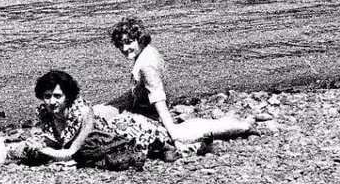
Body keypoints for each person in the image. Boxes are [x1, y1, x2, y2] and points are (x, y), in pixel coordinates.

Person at [103, 17, 254, 151]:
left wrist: (176, 139)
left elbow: (160, 104)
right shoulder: (147, 52)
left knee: (185, 133)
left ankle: (240, 125)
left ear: (140, 39)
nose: (124, 49)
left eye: (129, 42)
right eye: (120, 44)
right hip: (142, 106)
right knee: (100, 114)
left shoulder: (147, 65)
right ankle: (233, 123)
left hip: (152, 117)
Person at [0, 70, 147, 170]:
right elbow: (51, 140)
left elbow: (70, 152)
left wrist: (43, 150)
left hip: (104, 129)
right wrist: (35, 145)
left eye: (57, 96)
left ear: (67, 96)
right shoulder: (45, 112)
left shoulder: (83, 113)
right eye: (47, 96)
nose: (51, 102)